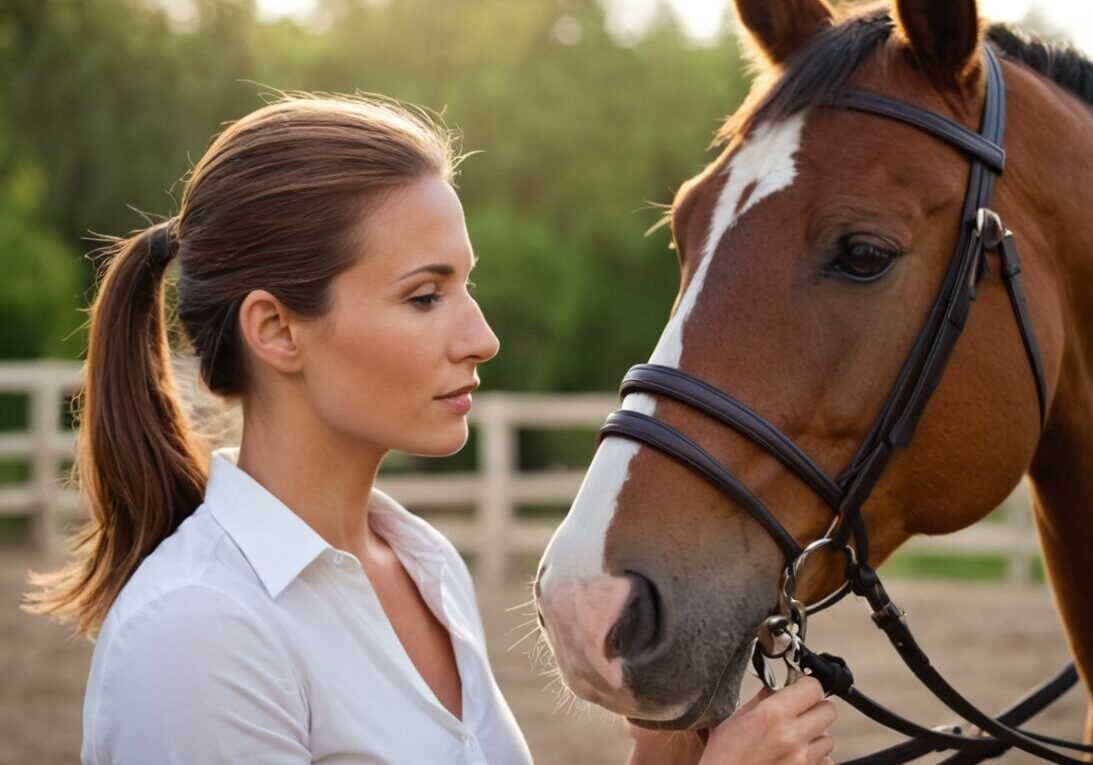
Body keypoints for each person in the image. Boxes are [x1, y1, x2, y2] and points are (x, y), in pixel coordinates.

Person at [25, 94, 836, 764]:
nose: (480, 337)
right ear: (276, 330)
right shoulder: (198, 634)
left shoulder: (425, 565)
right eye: (424, 296)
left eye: (465, 287)